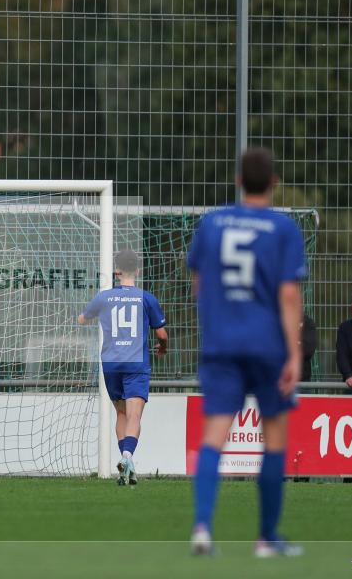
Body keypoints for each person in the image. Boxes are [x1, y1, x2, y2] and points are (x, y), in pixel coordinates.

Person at [186, 147, 306, 557]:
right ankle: (266, 539)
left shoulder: (212, 223)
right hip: (267, 346)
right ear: (274, 183)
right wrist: (293, 353)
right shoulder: (283, 228)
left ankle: (202, 528)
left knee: (213, 437)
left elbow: (199, 285)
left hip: (221, 344)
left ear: (238, 181)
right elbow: (289, 294)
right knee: (273, 439)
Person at [78, 248, 168, 486]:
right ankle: (127, 456)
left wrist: (96, 316)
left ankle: (126, 467)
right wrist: (163, 346)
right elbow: (162, 334)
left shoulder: (104, 297)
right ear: (138, 270)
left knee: (121, 414)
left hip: (111, 363)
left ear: (116, 271)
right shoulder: (146, 298)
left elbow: (82, 318)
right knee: (135, 415)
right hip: (135, 361)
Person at [301, 313, 318, 382]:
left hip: (302, 378)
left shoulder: (307, 322)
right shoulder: (275, 319)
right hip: (276, 378)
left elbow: (308, 350)